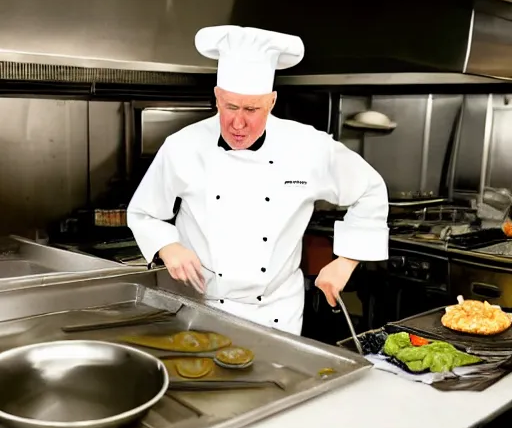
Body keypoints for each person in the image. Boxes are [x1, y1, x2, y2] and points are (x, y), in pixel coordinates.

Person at [127, 25, 389, 336]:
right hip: (204, 307)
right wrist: (168, 246)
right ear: (217, 97)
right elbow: (143, 212)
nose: (239, 123)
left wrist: (345, 261)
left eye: (252, 109)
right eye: (230, 107)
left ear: (272, 102)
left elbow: (370, 190)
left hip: (278, 313)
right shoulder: (182, 146)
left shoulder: (308, 146)